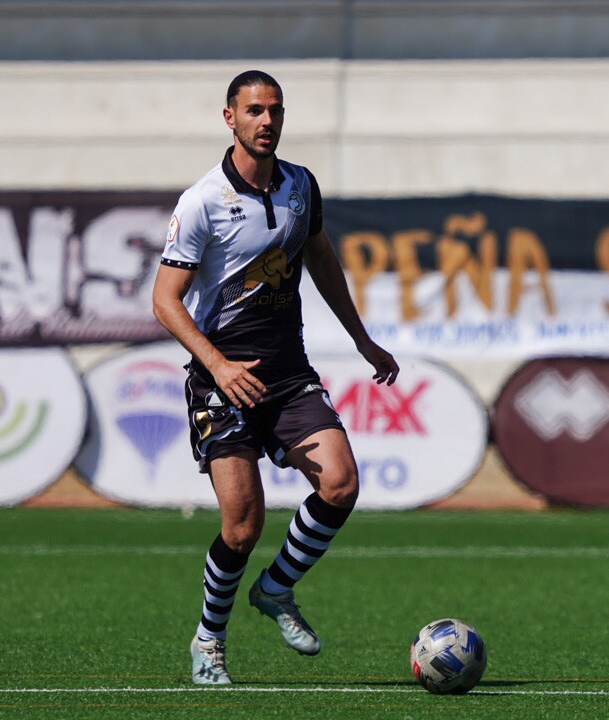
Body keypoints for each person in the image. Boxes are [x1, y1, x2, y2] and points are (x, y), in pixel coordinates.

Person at [152, 69, 399, 685]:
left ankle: (277, 588)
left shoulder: (300, 186)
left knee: (340, 484)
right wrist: (217, 364)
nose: (267, 121)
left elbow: (319, 257)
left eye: (276, 111)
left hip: (288, 372)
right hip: (223, 378)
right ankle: (209, 639)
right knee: (243, 524)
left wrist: (361, 338)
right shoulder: (203, 200)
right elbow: (164, 300)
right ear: (230, 117)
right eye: (255, 110)